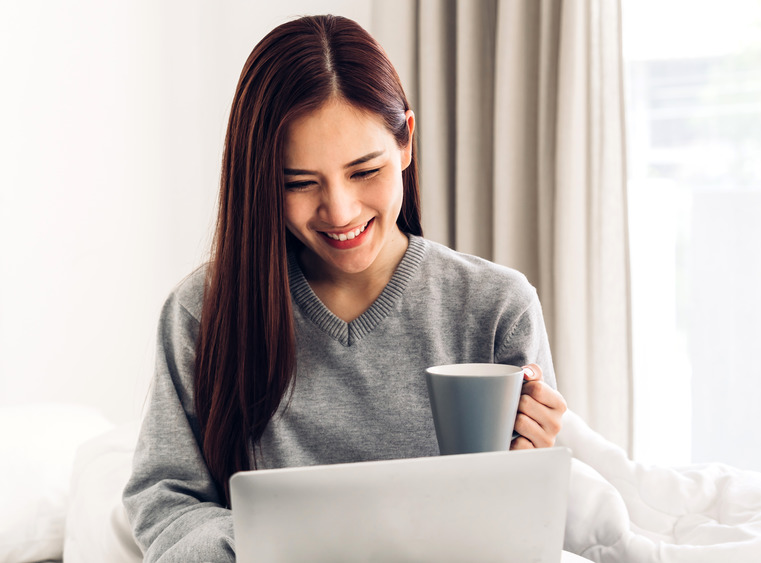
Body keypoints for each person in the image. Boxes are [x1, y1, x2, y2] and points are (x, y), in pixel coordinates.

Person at [123, 14, 567, 562]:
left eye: (364, 171)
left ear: (405, 142)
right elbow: (165, 503)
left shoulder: (496, 307)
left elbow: (529, 529)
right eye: (300, 183)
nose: (340, 211)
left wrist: (532, 470)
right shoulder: (202, 312)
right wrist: (272, 546)